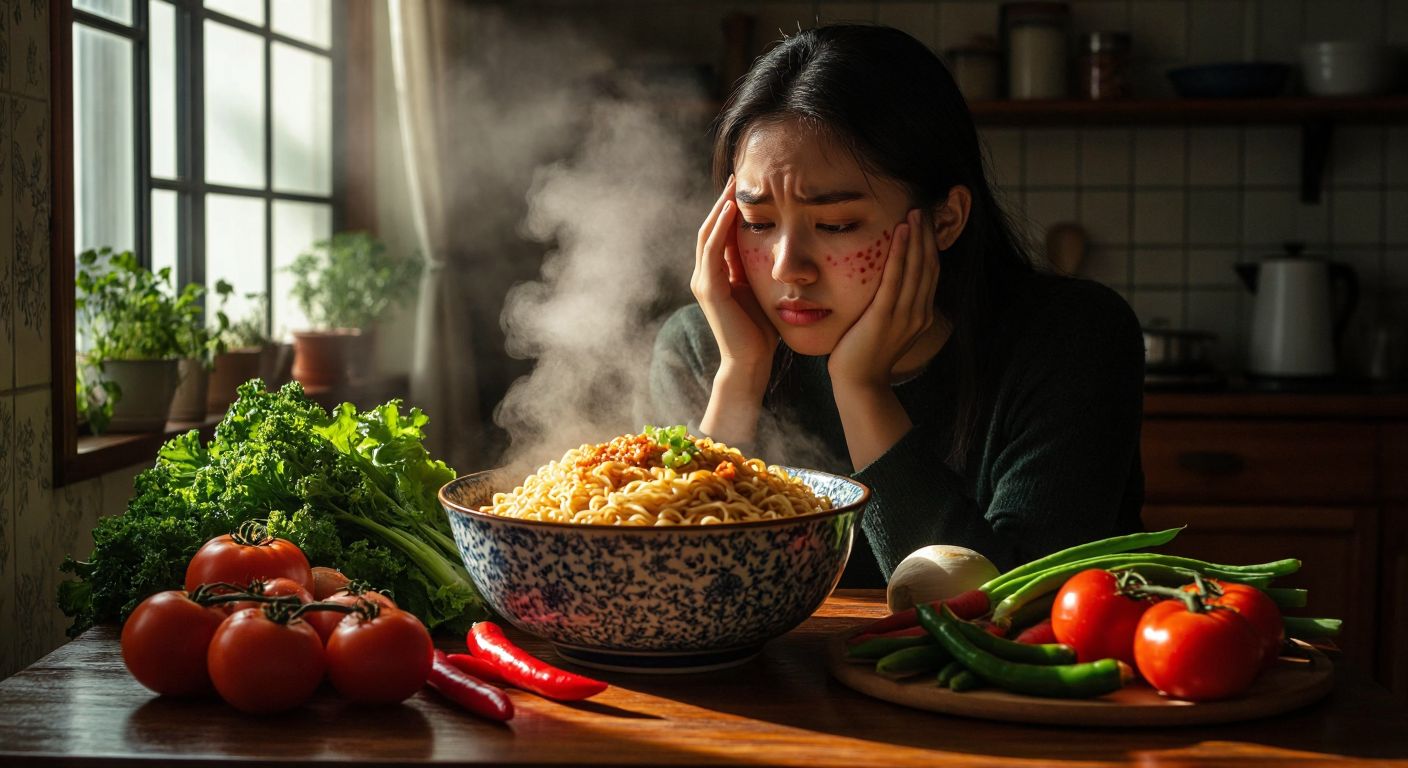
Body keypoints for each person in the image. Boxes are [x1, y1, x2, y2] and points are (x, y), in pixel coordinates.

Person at [649, 24, 1145, 587]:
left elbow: (1006, 608)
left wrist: (863, 390)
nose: (788, 266)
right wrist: (738, 379)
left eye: (836, 224)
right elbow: (674, 591)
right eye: (758, 224)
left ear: (945, 220)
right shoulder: (706, 345)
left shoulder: (1072, 337)